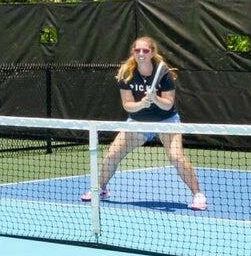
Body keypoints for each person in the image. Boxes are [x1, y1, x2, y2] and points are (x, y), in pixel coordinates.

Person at [82, 37, 206, 212]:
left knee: (177, 157)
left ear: (152, 52)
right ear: (133, 52)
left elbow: (168, 103)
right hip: (138, 122)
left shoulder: (164, 74)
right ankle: (100, 189)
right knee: (111, 155)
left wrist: (155, 98)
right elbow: (127, 105)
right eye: (137, 50)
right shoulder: (127, 74)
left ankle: (198, 195)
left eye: (145, 51)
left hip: (166, 121)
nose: (141, 54)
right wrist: (142, 104)